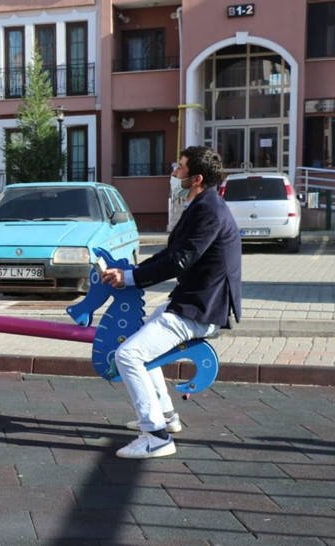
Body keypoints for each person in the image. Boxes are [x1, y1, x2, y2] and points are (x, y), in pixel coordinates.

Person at [100, 145, 242, 459]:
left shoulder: (209, 210)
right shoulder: (202, 204)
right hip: (191, 301)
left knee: (128, 356)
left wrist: (131, 279)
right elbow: (170, 254)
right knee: (142, 341)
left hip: (200, 307)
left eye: (180, 168)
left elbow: (180, 260)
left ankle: (156, 437)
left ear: (197, 178)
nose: (174, 173)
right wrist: (130, 272)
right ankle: (165, 415)